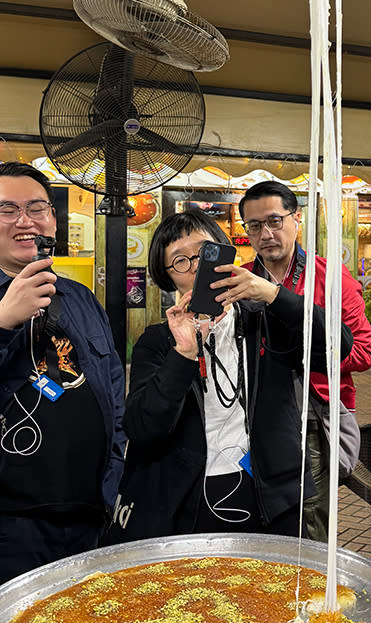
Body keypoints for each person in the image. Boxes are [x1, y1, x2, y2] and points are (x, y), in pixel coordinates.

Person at [105, 209, 353, 543]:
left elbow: (339, 347)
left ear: (224, 256)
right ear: (168, 278)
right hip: (187, 501)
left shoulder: (265, 321)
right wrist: (184, 354)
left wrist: (272, 295)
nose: (195, 267)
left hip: (270, 495)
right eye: (180, 261)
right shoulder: (158, 342)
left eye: (204, 254)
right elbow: (142, 429)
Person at [0, 161, 125, 583]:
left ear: (53, 219)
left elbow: (112, 388)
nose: (25, 220)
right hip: (11, 524)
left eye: (37, 208)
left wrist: (113, 473)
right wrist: (2, 321)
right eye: (6, 209)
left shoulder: (79, 297)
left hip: (89, 512)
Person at [239, 181, 371, 540]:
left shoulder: (330, 277)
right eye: (254, 226)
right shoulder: (238, 281)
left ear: (297, 218)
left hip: (311, 420)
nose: (266, 233)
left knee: (308, 523)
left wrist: (293, 359)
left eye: (274, 220)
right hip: (248, 423)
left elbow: (362, 351)